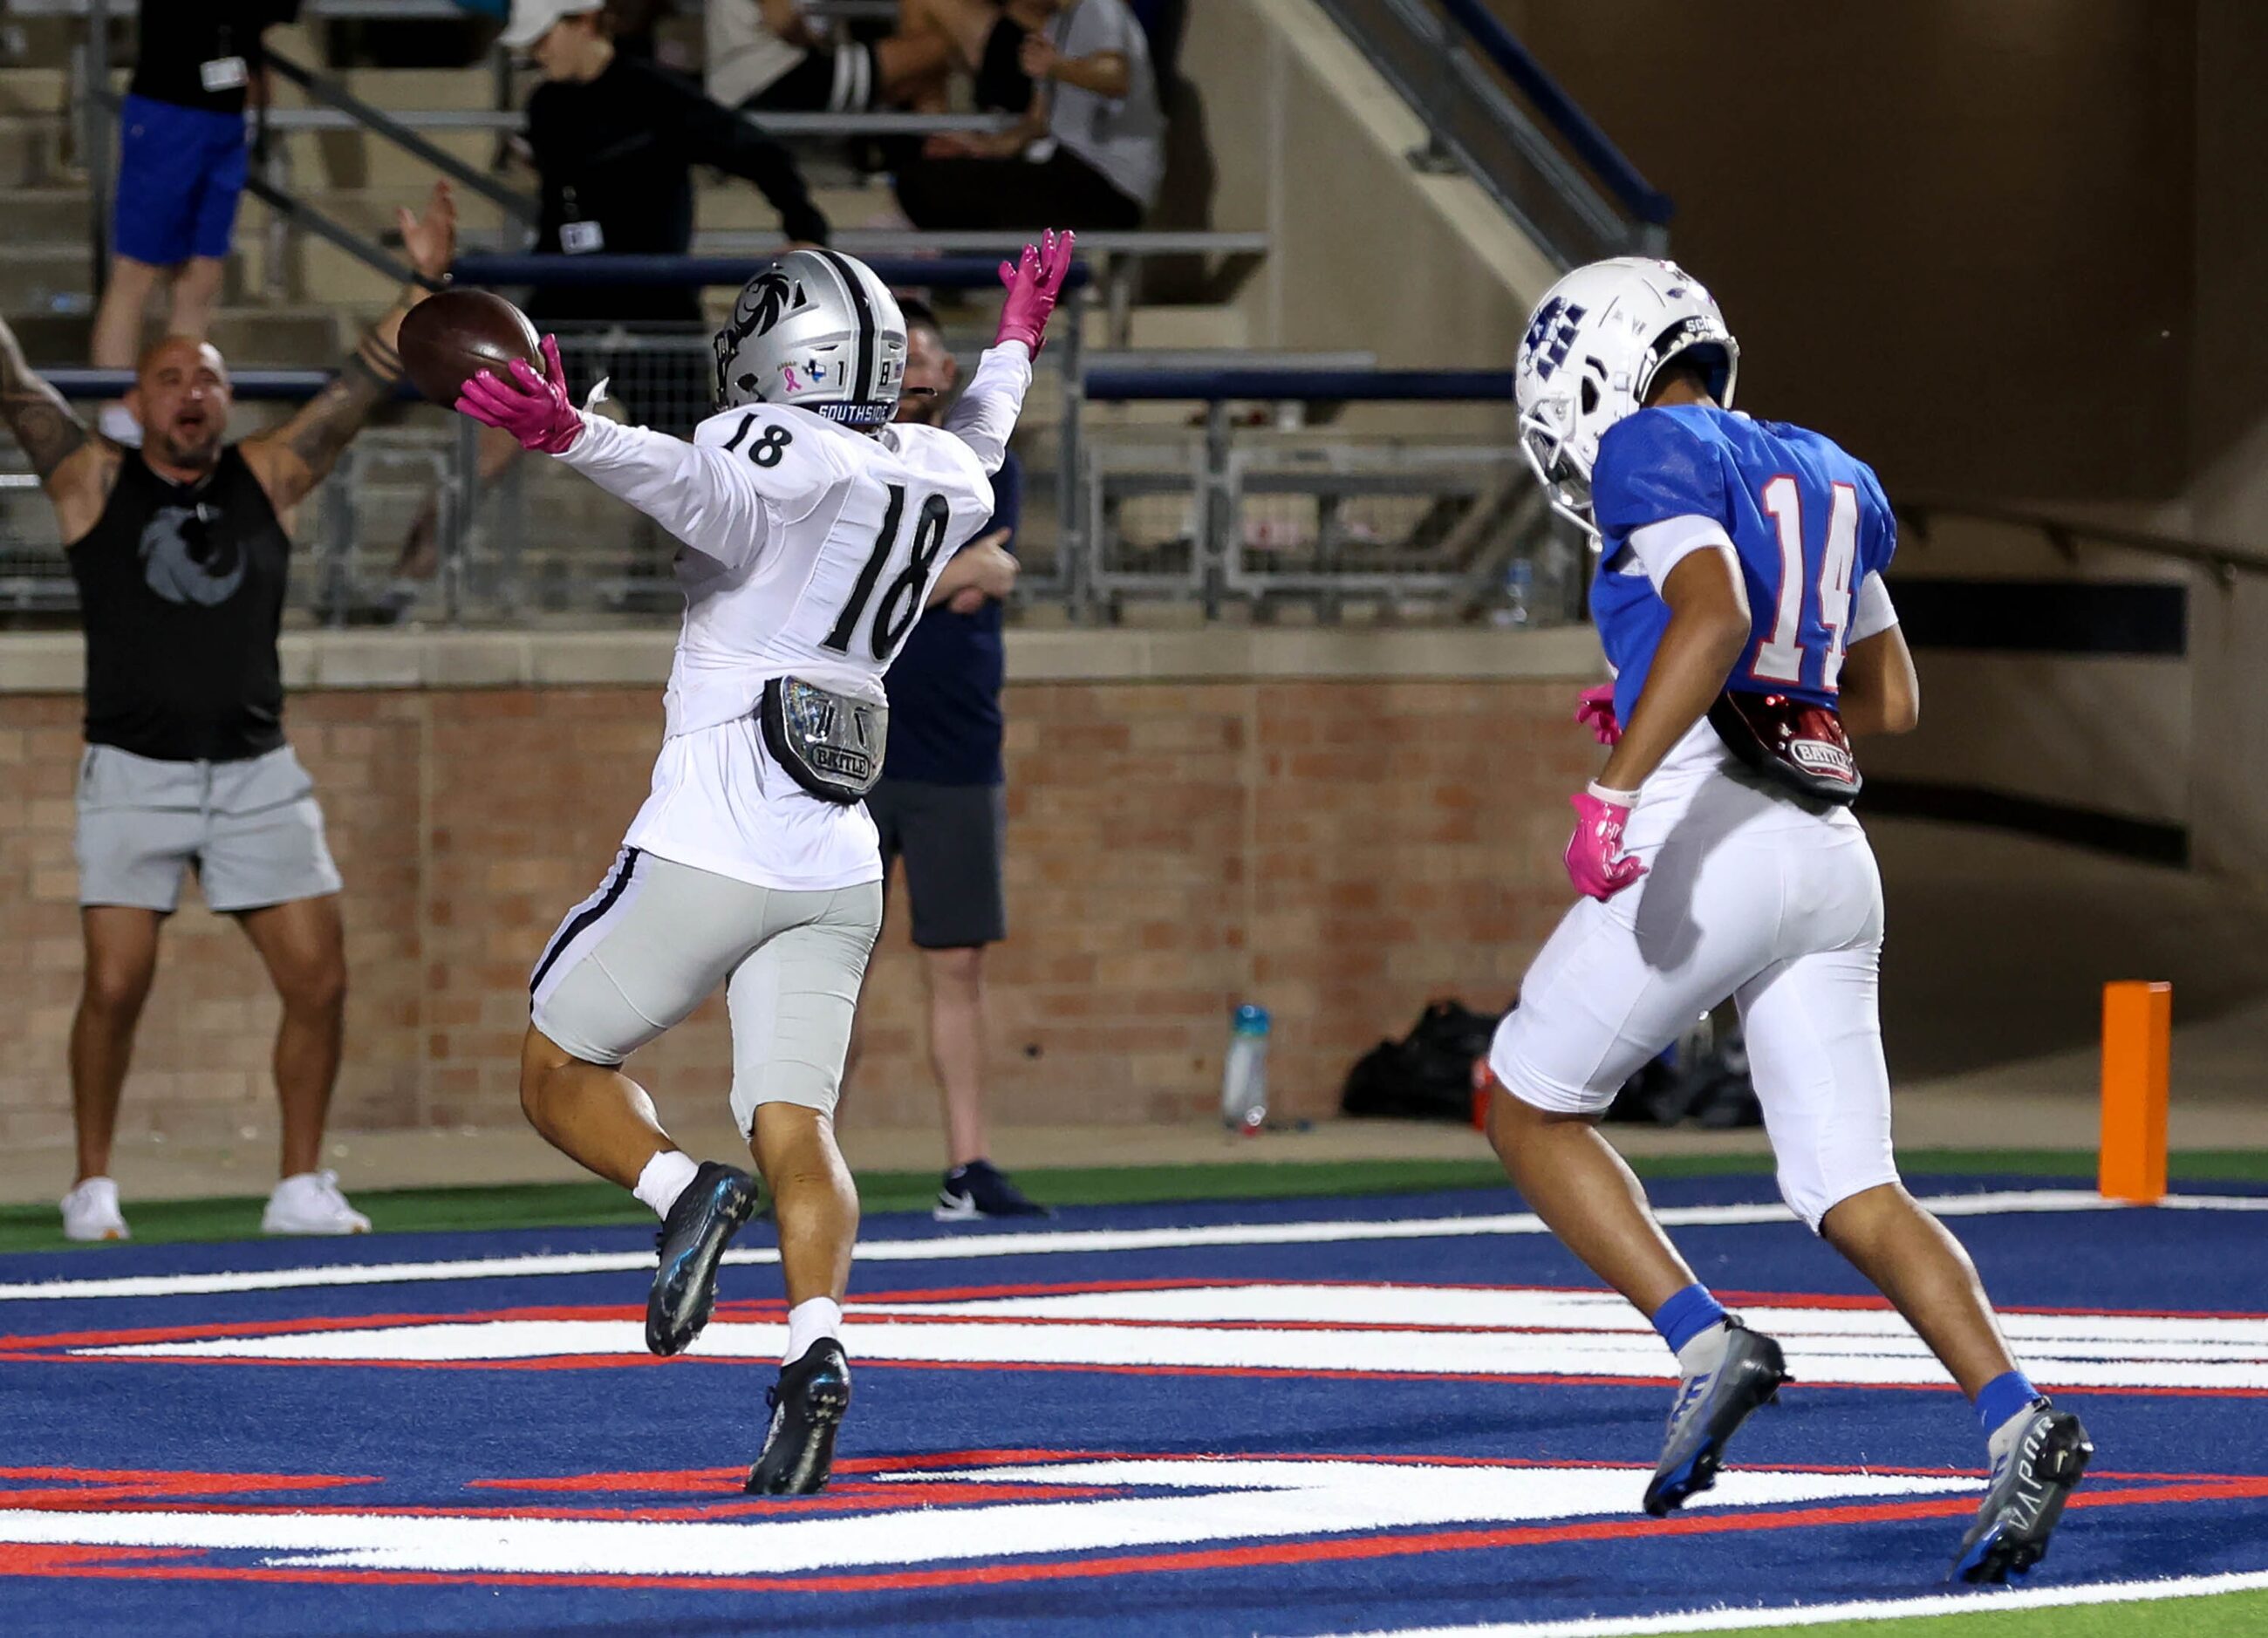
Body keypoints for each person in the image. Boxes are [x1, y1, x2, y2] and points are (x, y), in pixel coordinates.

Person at [1486, 256, 2092, 1583]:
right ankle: (2017, 1414)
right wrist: (1691, 685)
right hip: (1831, 853)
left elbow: (1712, 615)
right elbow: (1888, 698)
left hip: (1715, 835)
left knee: (1522, 1104)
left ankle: (1708, 1341)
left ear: (1602, 369)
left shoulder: (1651, 441)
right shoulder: (1825, 464)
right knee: (1851, 1186)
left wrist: (1616, 782)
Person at [454, 234, 1074, 1492]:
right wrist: (1016, 338)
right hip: (838, 855)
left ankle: (680, 1190)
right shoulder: (944, 465)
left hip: (712, 832)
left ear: (781, 359)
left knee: (556, 1063)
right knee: (801, 1121)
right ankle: (817, 1346)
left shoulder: (766, 447)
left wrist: (574, 433)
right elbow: (991, 427)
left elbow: (705, 499)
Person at [0, 183, 461, 1242]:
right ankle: (92, 1184)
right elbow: (16, 386)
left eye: (206, 378)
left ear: (225, 398)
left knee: (321, 978)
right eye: (169, 380)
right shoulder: (89, 483)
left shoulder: (267, 475)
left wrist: (425, 282)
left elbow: (359, 385)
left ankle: (300, 1184)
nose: (190, 394)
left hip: (258, 772)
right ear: (138, 400)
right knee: (114, 987)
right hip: (131, 771)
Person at [393, 0, 832, 590]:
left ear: (585, 21)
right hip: (568, 304)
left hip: (655, 306)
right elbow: (560, 213)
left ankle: (702, 592)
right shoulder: (545, 105)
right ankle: (403, 584)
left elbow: (758, 152)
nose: (535, 52)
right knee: (491, 439)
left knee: (687, 458)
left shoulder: (656, 94)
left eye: (545, 36)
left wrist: (805, 229)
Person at [843, 297, 1041, 1221]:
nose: (921, 372)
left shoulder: (981, 461)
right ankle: (801, 1157)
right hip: (849, 749)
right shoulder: (844, 461)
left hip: (956, 746)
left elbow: (973, 576)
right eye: (904, 356)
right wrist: (944, 575)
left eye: (932, 356)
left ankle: (969, 1165)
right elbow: (866, 585)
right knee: (827, 963)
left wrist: (910, 581)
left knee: (956, 965)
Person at [90, 1, 302, 447]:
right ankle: (116, 418)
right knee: (138, 269)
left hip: (226, 116)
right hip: (167, 107)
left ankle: (182, 409)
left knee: (203, 274)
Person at [895, 0, 1164, 231]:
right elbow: (1038, 121)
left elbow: (1116, 76)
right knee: (926, 180)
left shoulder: (1099, 8)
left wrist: (1056, 66)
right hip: (1063, 163)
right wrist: (978, 147)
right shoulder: (1055, 26)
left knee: (928, 187)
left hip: (1111, 184)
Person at [705, 0, 1004, 118]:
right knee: (935, 47)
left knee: (917, 53)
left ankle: (933, 145)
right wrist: (816, 39)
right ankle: (997, 102)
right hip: (771, 76)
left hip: (752, 78)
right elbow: (781, 20)